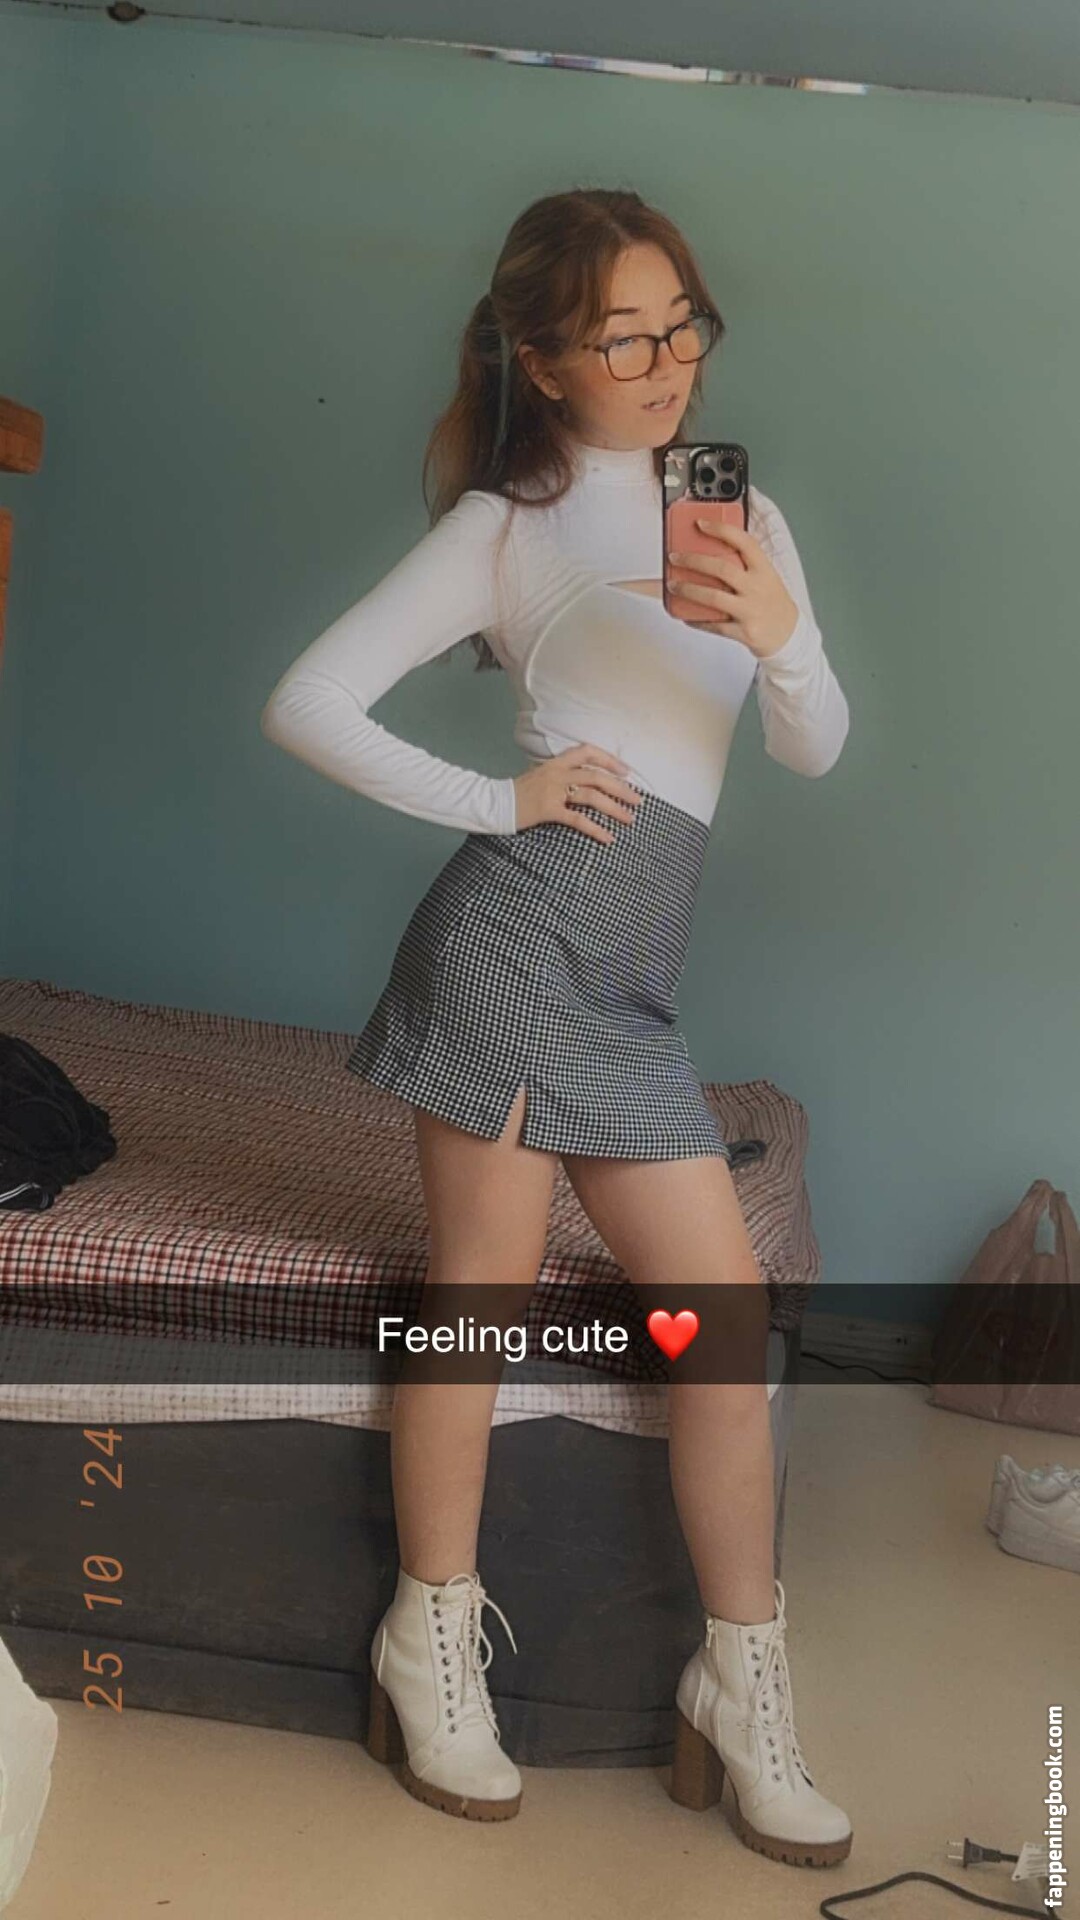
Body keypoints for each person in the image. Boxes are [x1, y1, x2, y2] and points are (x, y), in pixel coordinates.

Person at [260, 187, 852, 1867]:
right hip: (518, 945)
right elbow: (305, 701)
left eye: (683, 327)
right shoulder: (508, 524)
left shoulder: (743, 514)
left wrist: (778, 633)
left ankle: (739, 1682)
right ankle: (431, 1642)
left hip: (632, 990)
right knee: (481, 1299)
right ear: (542, 358)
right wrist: (499, 797)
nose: (666, 366)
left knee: (722, 1328)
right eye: (623, 338)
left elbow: (813, 743)